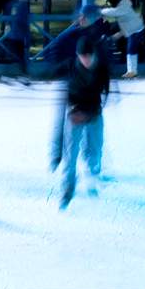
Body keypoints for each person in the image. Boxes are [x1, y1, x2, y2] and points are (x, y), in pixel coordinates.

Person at [42, 4, 106, 170]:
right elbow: (51, 52)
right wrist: (61, 70)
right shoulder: (71, 35)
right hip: (70, 84)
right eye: (81, 16)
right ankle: (57, 155)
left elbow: (105, 59)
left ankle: (89, 159)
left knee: (92, 124)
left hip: (90, 85)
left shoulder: (98, 36)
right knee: (64, 120)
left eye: (85, 16)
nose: (81, 19)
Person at [58, 36, 111, 209]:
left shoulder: (101, 68)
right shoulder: (70, 67)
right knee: (71, 153)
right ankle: (68, 187)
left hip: (94, 113)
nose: (86, 59)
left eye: (89, 56)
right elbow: (52, 73)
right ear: (78, 56)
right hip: (75, 114)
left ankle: (92, 176)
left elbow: (105, 89)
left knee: (94, 149)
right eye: (83, 56)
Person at [101, 0, 145, 78]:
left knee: (131, 49)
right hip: (134, 28)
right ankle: (132, 71)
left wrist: (99, 11)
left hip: (136, 29)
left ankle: (132, 71)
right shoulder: (124, 3)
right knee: (131, 48)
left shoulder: (121, 9)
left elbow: (112, 12)